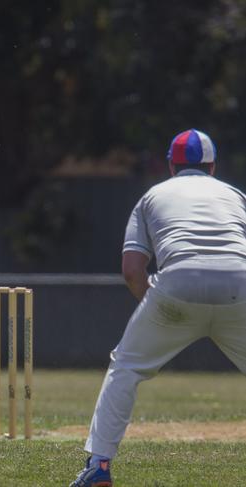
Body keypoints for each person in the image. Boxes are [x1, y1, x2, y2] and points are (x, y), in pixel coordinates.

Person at [70, 129, 246, 486]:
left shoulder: (152, 196)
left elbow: (133, 271)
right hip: (239, 284)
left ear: (170, 165)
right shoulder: (235, 195)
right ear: (213, 166)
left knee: (126, 368)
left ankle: (99, 467)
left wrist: (161, 307)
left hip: (176, 284)